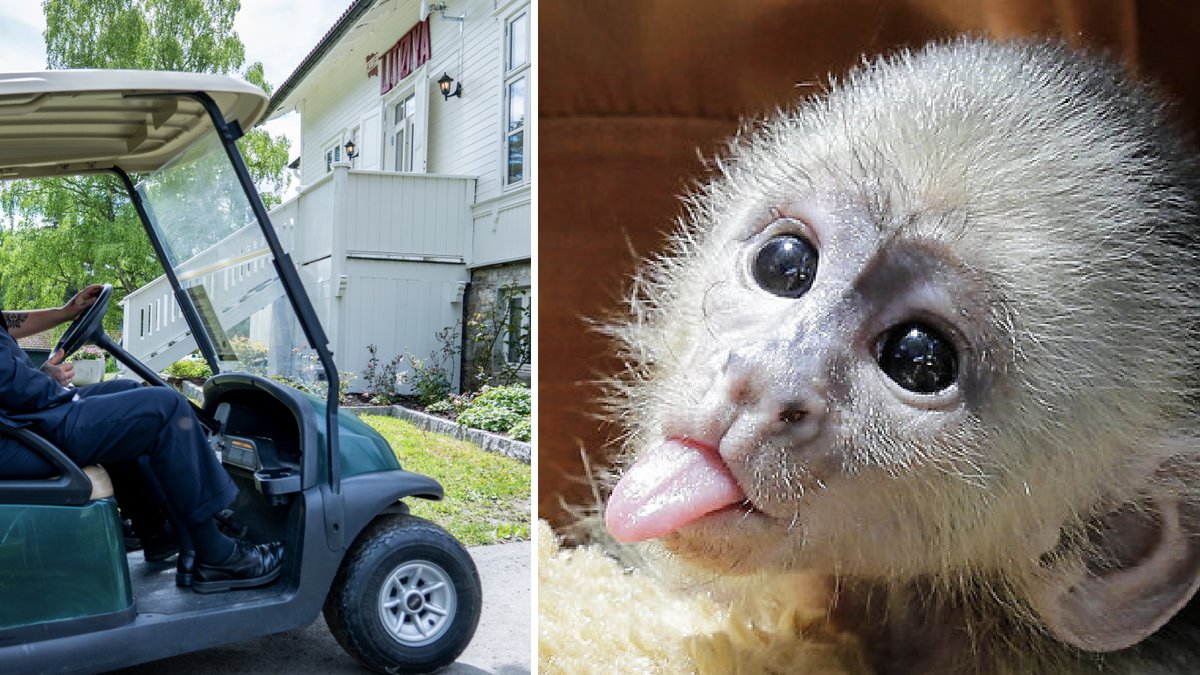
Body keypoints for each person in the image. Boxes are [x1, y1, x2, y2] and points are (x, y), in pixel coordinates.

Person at [0, 285, 283, 593]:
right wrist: (46, 379)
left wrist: (64, 314)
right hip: (18, 432)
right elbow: (17, 386)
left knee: (127, 392)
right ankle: (218, 557)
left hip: (19, 420)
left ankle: (157, 531)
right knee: (166, 409)